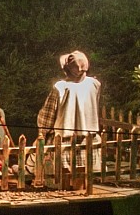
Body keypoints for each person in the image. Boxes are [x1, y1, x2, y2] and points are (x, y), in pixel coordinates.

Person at [35, 50, 102, 186]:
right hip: (89, 137)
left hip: (64, 139)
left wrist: (42, 132)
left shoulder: (60, 87)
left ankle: (65, 191)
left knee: (64, 174)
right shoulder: (94, 84)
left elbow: (47, 117)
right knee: (82, 173)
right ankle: (80, 192)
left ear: (66, 70)